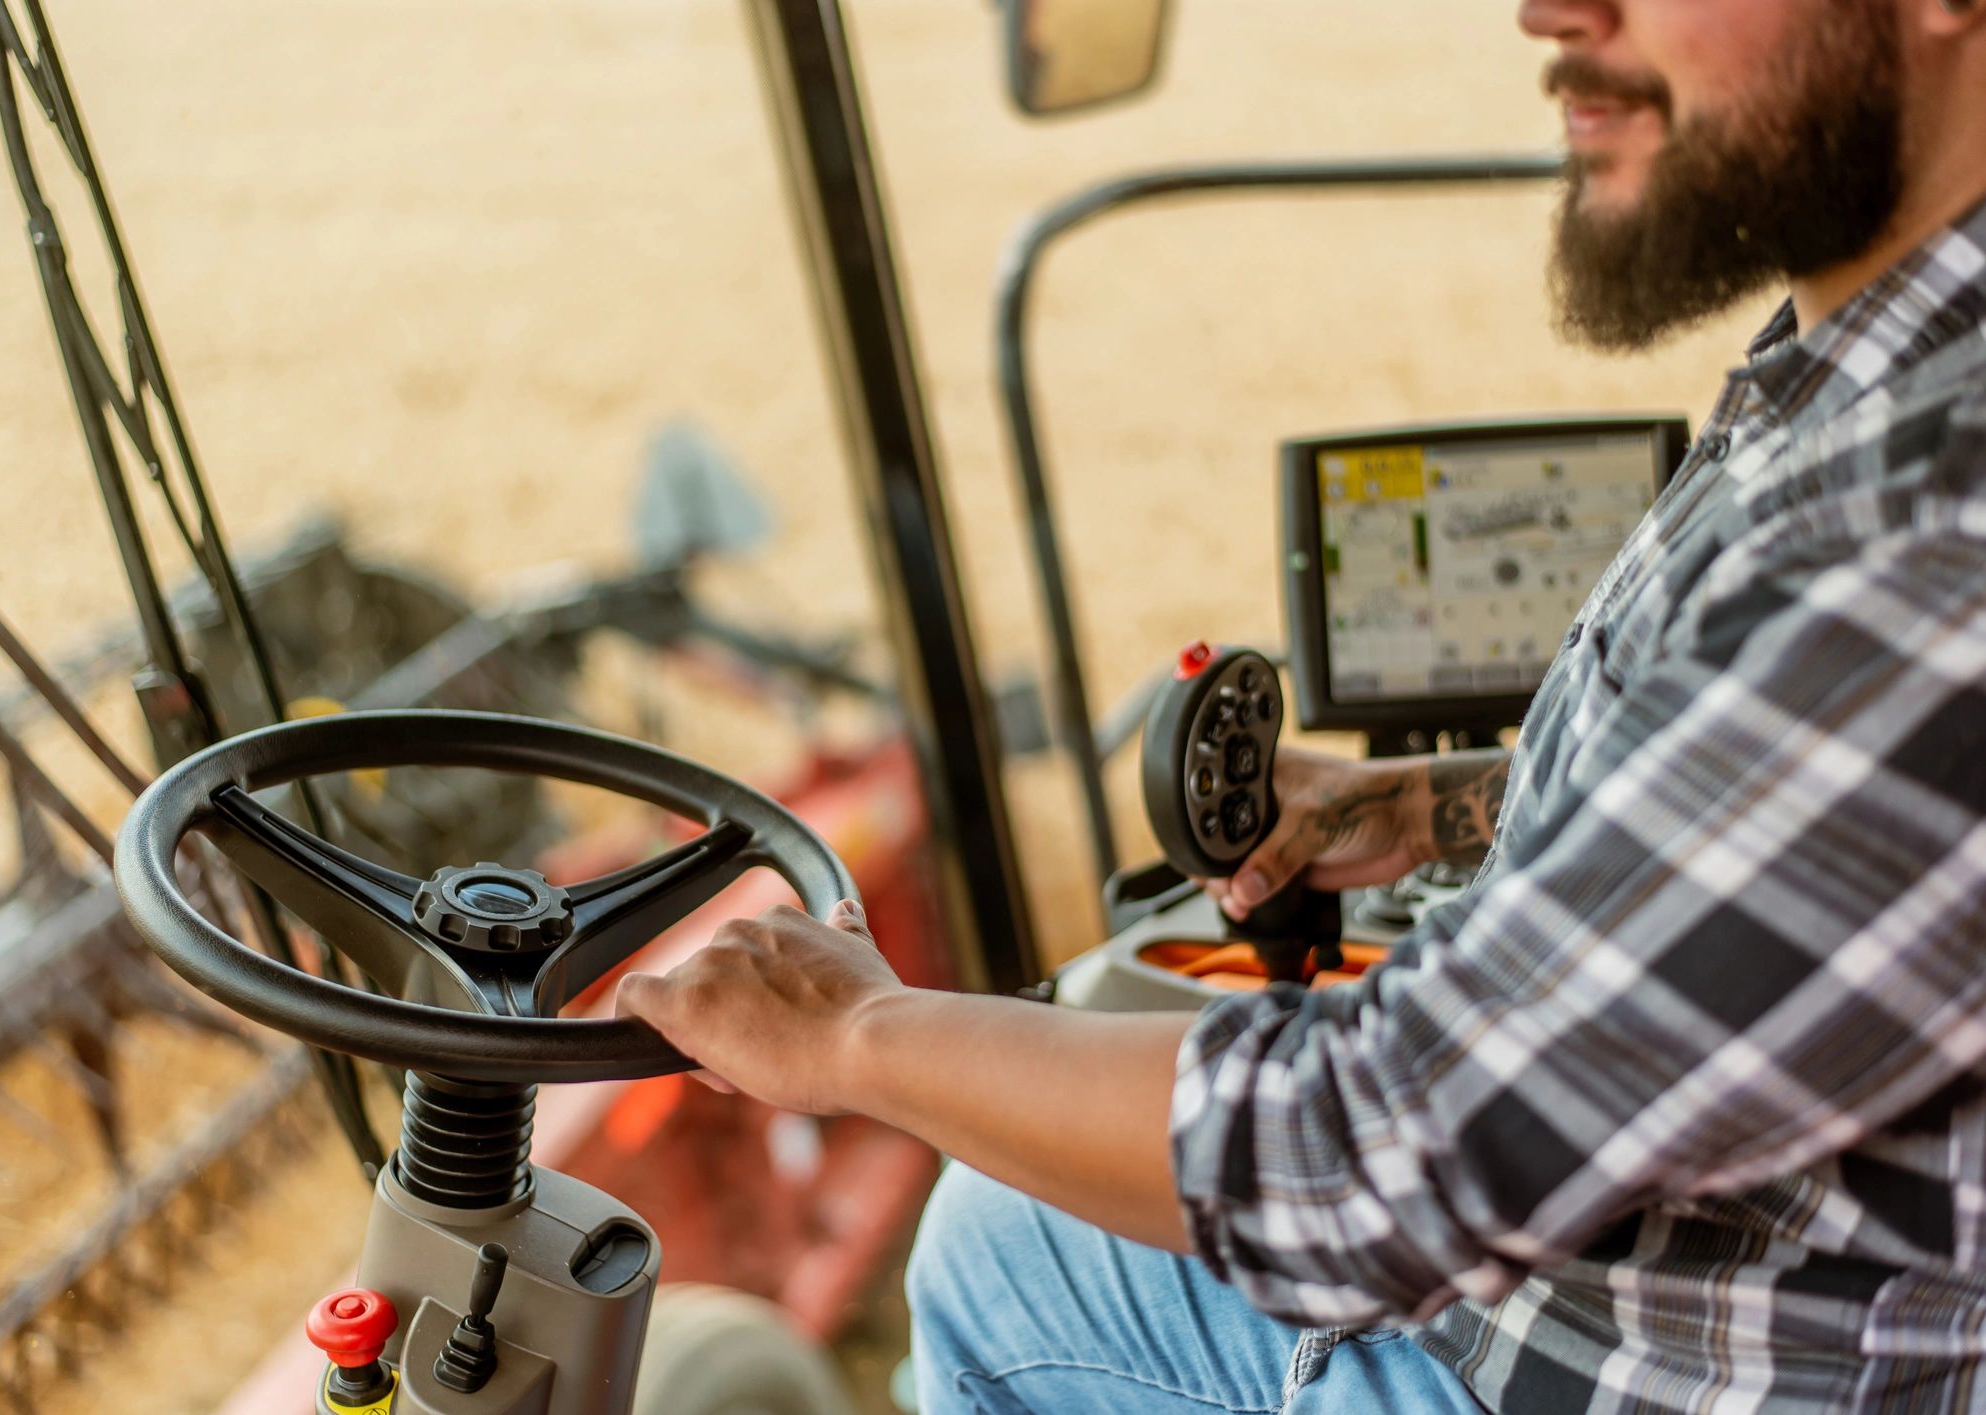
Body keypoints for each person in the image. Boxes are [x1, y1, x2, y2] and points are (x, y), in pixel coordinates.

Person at [617, 0, 1986, 1408]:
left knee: (1005, 1254)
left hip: (1640, 1367)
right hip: (1670, 1279)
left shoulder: (1928, 541)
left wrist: (859, 1037)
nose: (1547, 9)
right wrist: (1444, 805)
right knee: (1012, 1231)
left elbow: (1378, 1155)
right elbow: (1804, 820)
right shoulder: (1872, 372)